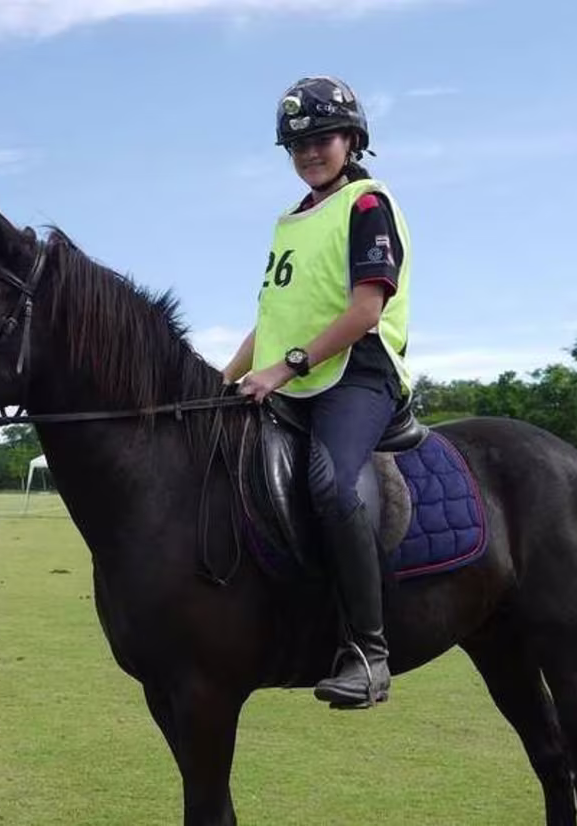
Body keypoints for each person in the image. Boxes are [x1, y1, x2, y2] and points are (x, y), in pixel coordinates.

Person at [222, 76, 412, 709]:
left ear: (352, 138)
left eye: (321, 138)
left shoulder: (366, 205)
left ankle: (368, 651)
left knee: (329, 483)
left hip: (357, 374)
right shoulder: (291, 222)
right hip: (296, 379)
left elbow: (365, 309)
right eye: (297, 144)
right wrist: (221, 380)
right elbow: (270, 320)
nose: (309, 152)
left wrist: (284, 368)